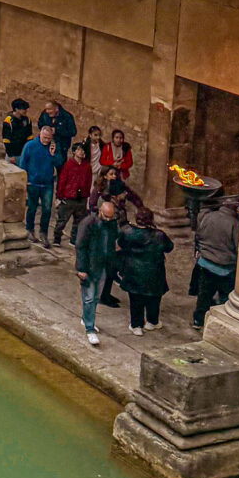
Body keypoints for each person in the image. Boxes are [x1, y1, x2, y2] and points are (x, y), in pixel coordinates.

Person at [117, 210, 174, 334]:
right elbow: (169, 247)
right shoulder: (159, 235)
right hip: (154, 271)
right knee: (153, 298)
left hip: (133, 270)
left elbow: (121, 243)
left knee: (135, 299)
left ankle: (136, 325)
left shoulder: (127, 231)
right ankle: (152, 322)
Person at [191, 192, 239, 327]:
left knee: (204, 295)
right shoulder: (234, 224)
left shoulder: (208, 217)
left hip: (205, 263)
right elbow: (238, 245)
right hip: (225, 267)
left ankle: (198, 320)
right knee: (225, 297)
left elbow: (199, 235)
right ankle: (219, 323)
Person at [76, 197, 119, 345]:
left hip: (103, 265)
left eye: (111, 217)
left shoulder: (112, 224)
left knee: (96, 297)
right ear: (100, 212)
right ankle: (90, 329)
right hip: (90, 265)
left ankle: (86, 318)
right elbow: (80, 246)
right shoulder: (88, 223)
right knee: (89, 296)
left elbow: (113, 239)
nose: (108, 219)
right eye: (106, 216)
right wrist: (81, 268)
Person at [17, 124, 60, 246]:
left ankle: (43, 233)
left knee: (47, 209)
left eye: (48, 138)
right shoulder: (30, 146)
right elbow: (23, 162)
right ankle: (29, 229)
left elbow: (59, 162)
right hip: (33, 182)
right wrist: (24, 179)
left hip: (47, 183)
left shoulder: (53, 147)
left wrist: (53, 154)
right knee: (32, 207)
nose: (46, 140)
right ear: (40, 134)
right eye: (44, 137)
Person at [52, 141, 93, 246]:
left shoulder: (87, 166)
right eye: (79, 150)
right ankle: (57, 238)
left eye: (82, 150)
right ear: (74, 152)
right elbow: (62, 181)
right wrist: (59, 196)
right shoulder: (68, 165)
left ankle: (74, 239)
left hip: (81, 197)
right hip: (69, 197)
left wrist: (86, 195)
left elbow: (88, 181)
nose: (81, 152)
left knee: (79, 221)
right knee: (62, 220)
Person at [2, 97, 33, 162]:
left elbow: (29, 136)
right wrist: (10, 155)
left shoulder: (27, 120)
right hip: (13, 154)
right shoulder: (9, 121)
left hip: (23, 153)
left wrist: (29, 151)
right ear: (16, 109)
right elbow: (6, 139)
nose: (26, 111)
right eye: (23, 109)